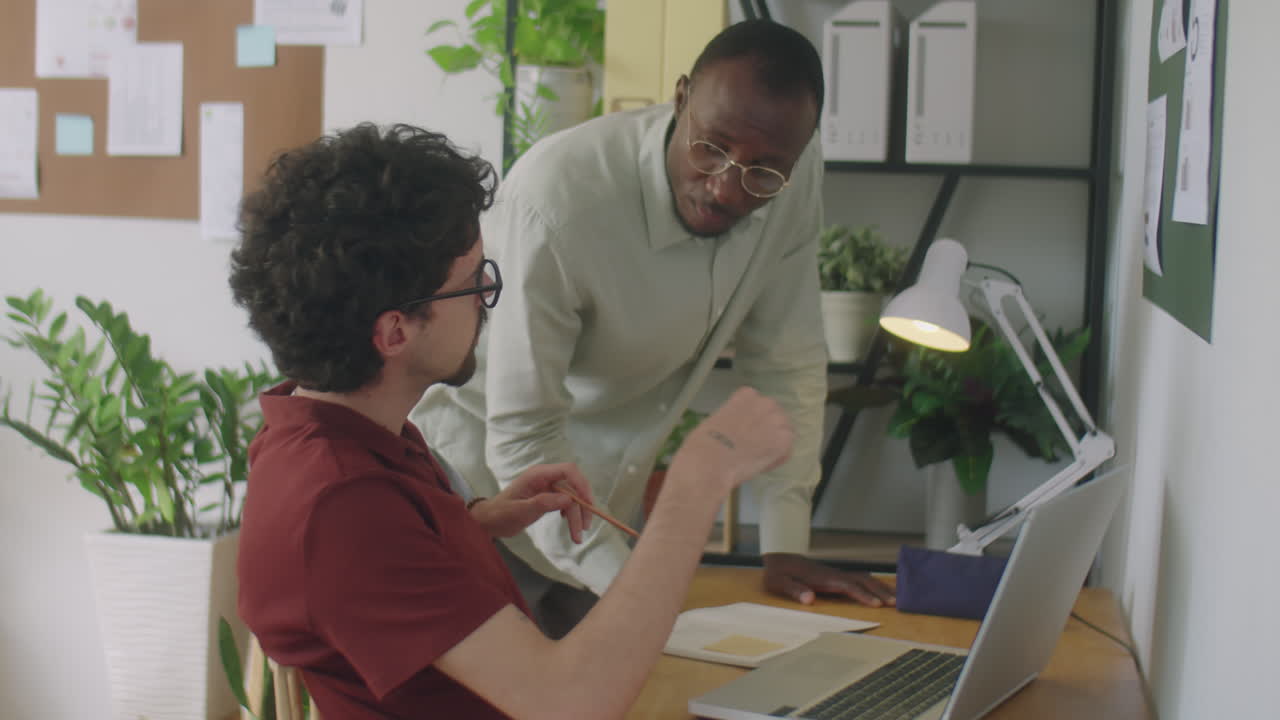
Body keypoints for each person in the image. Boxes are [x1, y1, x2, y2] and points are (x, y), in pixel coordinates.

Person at [229, 122, 794, 718]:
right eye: (471, 285)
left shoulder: (327, 433)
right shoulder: (343, 503)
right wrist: (696, 482)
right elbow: (569, 703)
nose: (484, 302)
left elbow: (373, 575)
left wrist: (475, 524)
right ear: (394, 332)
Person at [412, 19, 895, 636]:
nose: (727, 188)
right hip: (483, 503)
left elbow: (787, 360)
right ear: (681, 96)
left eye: (764, 172)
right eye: (711, 147)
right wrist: (640, 593)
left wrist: (784, 541)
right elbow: (524, 436)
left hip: (600, 511)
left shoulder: (788, 178)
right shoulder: (557, 201)